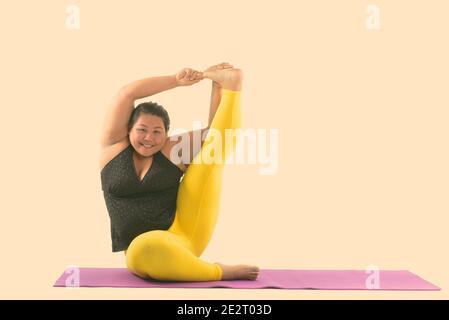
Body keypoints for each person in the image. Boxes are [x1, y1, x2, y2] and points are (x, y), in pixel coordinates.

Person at [99, 63, 259, 281]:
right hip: (142, 251)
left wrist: (218, 87)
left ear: (166, 134)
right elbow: (127, 93)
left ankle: (232, 87)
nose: (149, 138)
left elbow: (215, 134)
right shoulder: (113, 148)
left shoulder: (170, 149)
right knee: (142, 249)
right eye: (142, 130)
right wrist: (176, 80)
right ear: (128, 130)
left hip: (183, 233)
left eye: (157, 132)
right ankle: (216, 271)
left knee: (213, 148)